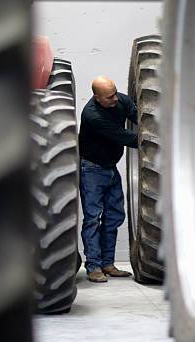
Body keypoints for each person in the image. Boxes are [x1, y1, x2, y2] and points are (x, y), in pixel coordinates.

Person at [79, 76, 138, 282]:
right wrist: (151, 139)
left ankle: (108, 264)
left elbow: (137, 114)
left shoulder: (120, 100)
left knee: (114, 216)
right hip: (92, 170)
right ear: (97, 97)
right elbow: (123, 136)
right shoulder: (92, 115)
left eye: (115, 92)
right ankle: (94, 266)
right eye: (109, 96)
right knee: (93, 218)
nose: (115, 99)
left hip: (110, 169)